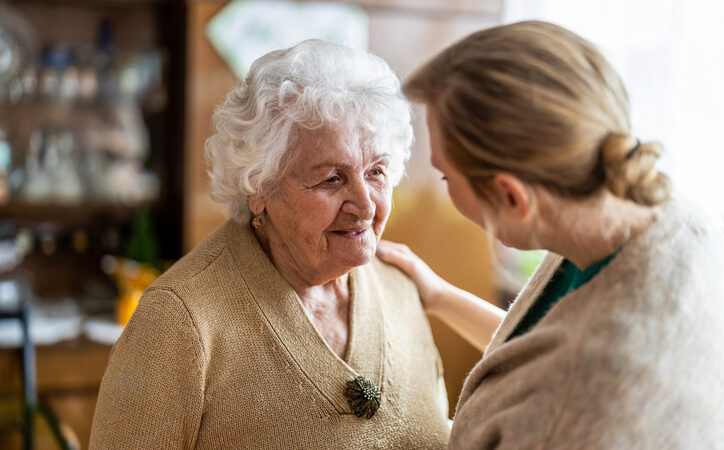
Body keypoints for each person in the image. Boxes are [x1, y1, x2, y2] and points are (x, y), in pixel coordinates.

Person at [377, 20, 724, 449]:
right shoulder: (653, 214)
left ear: (511, 196)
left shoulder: (585, 400)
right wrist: (440, 296)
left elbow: (562, 376)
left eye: (447, 178)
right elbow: (540, 351)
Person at [89, 40, 450, 449]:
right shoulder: (179, 323)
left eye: (377, 172)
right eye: (332, 177)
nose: (365, 205)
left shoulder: (401, 290)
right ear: (258, 187)